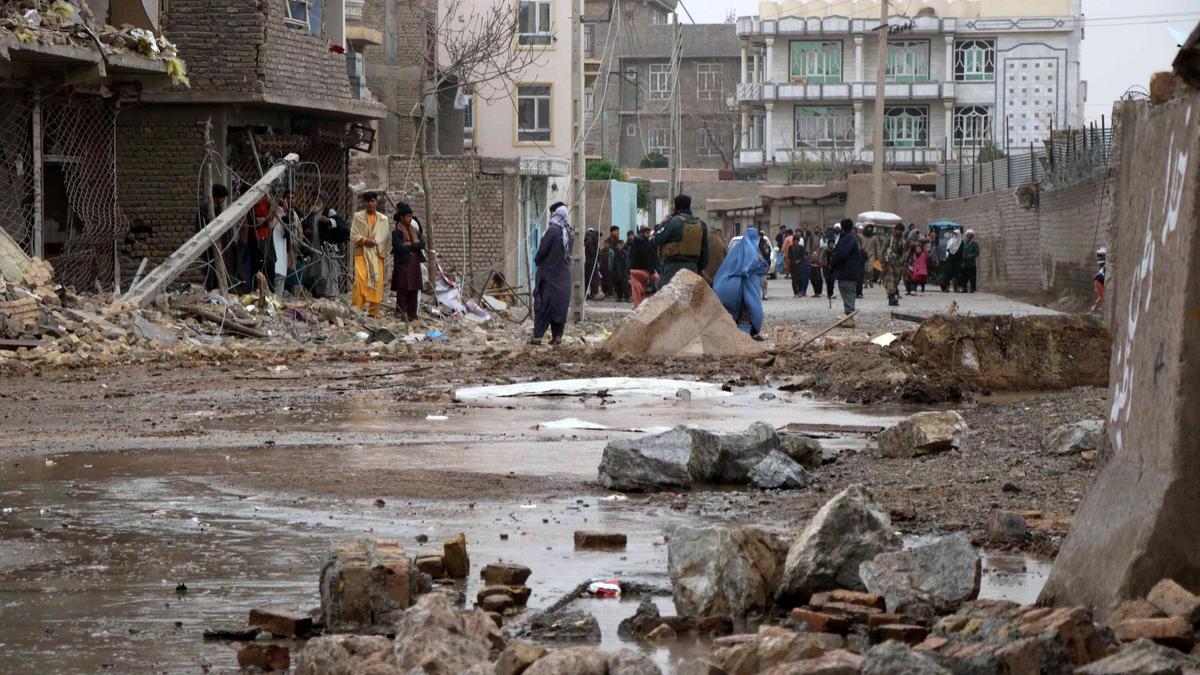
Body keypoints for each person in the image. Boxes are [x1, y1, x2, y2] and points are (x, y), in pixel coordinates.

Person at [713, 227, 770, 341]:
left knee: (737, 311)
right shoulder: (751, 250)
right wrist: (761, 264)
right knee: (748, 307)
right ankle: (747, 335)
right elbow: (748, 267)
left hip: (725, 285)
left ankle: (736, 335)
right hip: (740, 285)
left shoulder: (738, 248)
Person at [531, 202, 574, 345]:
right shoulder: (569, 232)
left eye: (552, 212)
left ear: (556, 213)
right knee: (560, 309)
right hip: (564, 279)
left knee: (544, 307)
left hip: (549, 278)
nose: (550, 216)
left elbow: (541, 253)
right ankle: (557, 338)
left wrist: (537, 261)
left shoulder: (552, 230)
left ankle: (537, 338)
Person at [652, 195, 709, 286]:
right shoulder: (701, 225)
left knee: (666, 298)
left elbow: (656, 239)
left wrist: (663, 222)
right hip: (692, 269)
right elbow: (705, 256)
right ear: (689, 206)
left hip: (672, 270)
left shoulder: (674, 221)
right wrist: (696, 269)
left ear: (676, 207)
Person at [351, 192, 391, 317]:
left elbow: (385, 238)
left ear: (376, 202)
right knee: (360, 281)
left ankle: (373, 312)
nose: (370, 203)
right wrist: (364, 240)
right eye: (367, 201)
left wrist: (380, 248)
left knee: (377, 282)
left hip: (376, 254)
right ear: (364, 203)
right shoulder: (358, 217)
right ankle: (356, 309)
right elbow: (353, 235)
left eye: (372, 201)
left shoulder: (383, 219)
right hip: (362, 253)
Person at [390, 203, 426, 321]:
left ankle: (412, 314)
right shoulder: (397, 232)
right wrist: (413, 245)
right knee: (403, 288)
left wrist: (409, 244)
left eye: (411, 216)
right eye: (408, 216)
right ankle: (402, 313)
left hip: (414, 263)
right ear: (401, 218)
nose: (410, 219)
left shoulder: (414, 230)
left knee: (414, 287)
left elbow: (422, 244)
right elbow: (399, 248)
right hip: (403, 263)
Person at [264, 188, 300, 295]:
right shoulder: (272, 213)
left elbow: (289, 231)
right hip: (272, 257)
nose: (288, 201)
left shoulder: (289, 215)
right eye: (286, 199)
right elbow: (269, 225)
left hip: (281, 257)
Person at [197, 183, 231, 291]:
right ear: (217, 196)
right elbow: (200, 226)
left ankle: (217, 288)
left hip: (217, 243)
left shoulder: (218, 207)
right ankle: (210, 288)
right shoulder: (206, 208)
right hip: (207, 243)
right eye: (223, 198)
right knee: (210, 267)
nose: (223, 200)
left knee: (218, 267)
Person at [830, 218, 861, 320]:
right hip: (852, 272)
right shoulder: (853, 238)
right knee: (850, 294)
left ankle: (849, 317)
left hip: (846, 272)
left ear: (842, 228)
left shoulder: (847, 239)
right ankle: (849, 316)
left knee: (847, 293)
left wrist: (832, 263)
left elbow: (841, 255)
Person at [629, 225, 659, 308]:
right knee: (646, 289)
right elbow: (648, 259)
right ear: (642, 233)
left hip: (634, 270)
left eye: (649, 233)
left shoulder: (633, 243)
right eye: (647, 233)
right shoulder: (645, 244)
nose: (648, 235)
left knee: (636, 290)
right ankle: (644, 308)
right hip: (644, 271)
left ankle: (637, 306)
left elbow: (630, 256)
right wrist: (652, 271)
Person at [881, 223, 906, 307]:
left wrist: (903, 264)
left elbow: (904, 253)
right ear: (895, 230)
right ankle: (891, 298)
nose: (900, 232)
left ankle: (892, 296)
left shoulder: (902, 240)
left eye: (901, 231)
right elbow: (884, 249)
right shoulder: (889, 238)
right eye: (899, 230)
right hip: (888, 263)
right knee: (890, 280)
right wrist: (883, 261)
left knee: (896, 280)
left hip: (897, 264)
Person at [600, 226, 621, 299]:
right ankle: (608, 292)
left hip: (615, 263)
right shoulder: (610, 241)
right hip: (609, 265)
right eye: (616, 231)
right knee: (608, 280)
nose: (618, 233)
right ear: (612, 232)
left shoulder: (617, 240)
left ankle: (614, 292)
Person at [787, 232, 808, 297]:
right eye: (795, 240)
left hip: (800, 265)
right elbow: (789, 256)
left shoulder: (801, 247)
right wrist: (794, 261)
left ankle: (799, 291)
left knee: (800, 279)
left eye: (797, 240)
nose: (796, 241)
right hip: (793, 266)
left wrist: (799, 260)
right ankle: (795, 292)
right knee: (794, 279)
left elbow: (803, 255)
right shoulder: (790, 247)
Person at [584, 228, 602, 299]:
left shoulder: (592, 241)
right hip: (591, 262)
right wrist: (598, 252)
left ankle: (591, 293)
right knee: (593, 278)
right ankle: (594, 293)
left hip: (591, 262)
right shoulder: (591, 241)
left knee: (591, 278)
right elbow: (593, 253)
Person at [1090, 247, 1107, 313]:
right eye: (1098, 256)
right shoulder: (1103, 268)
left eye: (1100, 256)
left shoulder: (1105, 268)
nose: (1098, 258)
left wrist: (1097, 277)